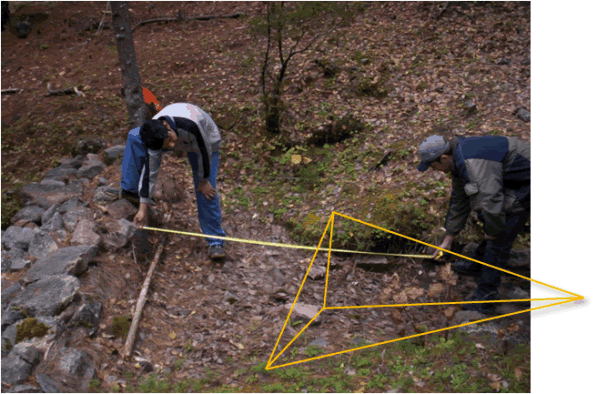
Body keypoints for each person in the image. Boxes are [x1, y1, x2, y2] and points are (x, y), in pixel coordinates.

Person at [416, 135, 530, 314]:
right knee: (491, 221)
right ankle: (478, 264)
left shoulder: (472, 164)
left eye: (433, 165)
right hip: (511, 180)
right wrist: (448, 239)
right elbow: (459, 200)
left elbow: (491, 203)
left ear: (444, 158)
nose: (434, 170)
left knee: (499, 235)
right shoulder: (458, 160)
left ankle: (486, 296)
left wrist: (492, 231)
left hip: (527, 183)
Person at [105, 100, 226, 260]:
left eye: (171, 140)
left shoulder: (190, 126)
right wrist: (143, 208)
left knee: (206, 190)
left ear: (167, 127)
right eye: (167, 145)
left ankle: (215, 241)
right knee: (135, 135)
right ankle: (130, 189)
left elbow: (204, 152)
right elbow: (151, 173)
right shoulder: (156, 138)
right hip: (178, 137)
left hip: (206, 142)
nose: (173, 145)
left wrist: (203, 181)